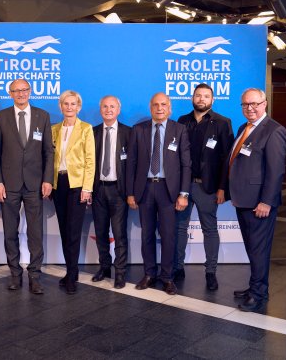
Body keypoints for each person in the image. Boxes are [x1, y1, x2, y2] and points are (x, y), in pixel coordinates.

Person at [225, 88, 286, 312]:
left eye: (254, 104)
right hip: (243, 200)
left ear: (265, 104)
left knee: (259, 250)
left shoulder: (274, 130)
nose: (250, 108)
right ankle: (255, 287)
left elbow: (276, 171)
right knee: (252, 248)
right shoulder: (244, 128)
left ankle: (259, 294)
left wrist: (266, 202)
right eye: (245, 104)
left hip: (259, 204)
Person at [0, 79, 54, 294]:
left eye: (24, 90)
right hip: (9, 185)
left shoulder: (42, 116)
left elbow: (48, 152)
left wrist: (48, 179)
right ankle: (15, 274)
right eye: (16, 91)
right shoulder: (1, 117)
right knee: (10, 231)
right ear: (10, 94)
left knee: (35, 232)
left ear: (30, 91)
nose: (20, 94)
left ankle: (35, 275)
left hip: (35, 184)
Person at [126, 92, 191, 295]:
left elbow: (186, 164)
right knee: (146, 234)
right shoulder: (138, 130)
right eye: (156, 104)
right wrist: (130, 193)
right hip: (145, 189)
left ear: (169, 108)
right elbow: (131, 164)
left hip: (168, 190)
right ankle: (149, 274)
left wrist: (184, 194)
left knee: (168, 235)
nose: (159, 108)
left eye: (163, 104)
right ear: (150, 107)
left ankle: (167, 277)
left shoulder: (179, 130)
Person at [173, 83, 233, 291]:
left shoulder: (223, 123)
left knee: (210, 229)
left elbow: (227, 159)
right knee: (180, 228)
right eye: (198, 95)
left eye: (206, 96)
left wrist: (222, 188)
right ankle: (177, 267)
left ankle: (210, 272)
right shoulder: (182, 121)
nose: (201, 99)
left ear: (212, 100)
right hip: (183, 186)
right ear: (192, 98)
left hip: (208, 187)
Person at [51, 90, 95, 294]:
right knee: (64, 230)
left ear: (79, 107)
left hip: (77, 185)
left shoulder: (86, 129)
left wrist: (87, 188)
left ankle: (72, 273)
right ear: (60, 106)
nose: (69, 107)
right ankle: (71, 271)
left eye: (73, 104)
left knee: (74, 230)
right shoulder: (53, 129)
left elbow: (90, 161)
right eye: (66, 104)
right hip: (58, 184)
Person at [92, 95, 131, 289]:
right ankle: (104, 267)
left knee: (119, 233)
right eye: (105, 106)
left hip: (119, 191)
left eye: (112, 107)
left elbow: (134, 165)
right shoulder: (93, 132)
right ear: (100, 109)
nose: (108, 110)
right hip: (98, 189)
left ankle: (120, 272)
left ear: (118, 110)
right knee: (100, 232)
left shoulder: (129, 133)